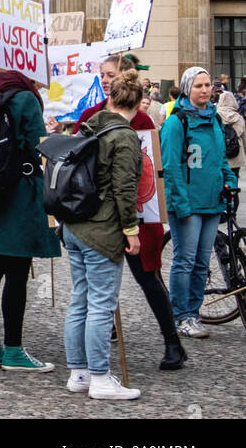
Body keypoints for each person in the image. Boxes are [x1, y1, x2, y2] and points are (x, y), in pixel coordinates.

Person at [75, 55, 185, 370]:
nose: (106, 80)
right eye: (102, 75)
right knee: (96, 282)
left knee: (148, 278)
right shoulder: (91, 115)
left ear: (124, 77)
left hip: (137, 214)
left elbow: (149, 170)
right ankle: (95, 343)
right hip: (100, 217)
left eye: (111, 74)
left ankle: (172, 342)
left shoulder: (142, 121)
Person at [62, 69, 144, 400]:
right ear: (138, 102)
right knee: (101, 304)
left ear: (110, 98)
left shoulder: (89, 125)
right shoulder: (124, 137)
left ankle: (78, 372)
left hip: (75, 225)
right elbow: (125, 189)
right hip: (102, 228)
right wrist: (131, 230)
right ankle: (99, 378)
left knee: (80, 299)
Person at [0, 65, 60, 372]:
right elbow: (38, 146)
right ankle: (13, 350)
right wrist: (54, 135)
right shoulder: (25, 97)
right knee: (16, 271)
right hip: (20, 192)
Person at [160, 66, 235, 339]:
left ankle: (193, 312)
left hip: (212, 202)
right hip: (188, 205)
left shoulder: (214, 120)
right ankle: (181, 316)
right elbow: (171, 168)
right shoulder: (175, 123)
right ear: (187, 88)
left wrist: (230, 181)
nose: (205, 90)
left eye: (208, 86)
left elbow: (220, 159)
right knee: (185, 261)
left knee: (202, 262)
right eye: (199, 86)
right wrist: (181, 205)